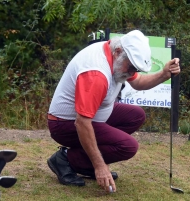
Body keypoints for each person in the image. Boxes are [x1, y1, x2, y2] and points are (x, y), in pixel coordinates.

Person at [47, 30, 181, 193]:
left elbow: (138, 82)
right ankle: (65, 159)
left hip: (92, 115)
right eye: (131, 67)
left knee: (135, 116)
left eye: (135, 69)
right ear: (118, 52)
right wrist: (100, 166)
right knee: (128, 146)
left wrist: (163, 74)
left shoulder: (116, 55)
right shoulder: (96, 73)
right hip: (63, 123)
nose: (132, 73)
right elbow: (82, 122)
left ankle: (84, 161)